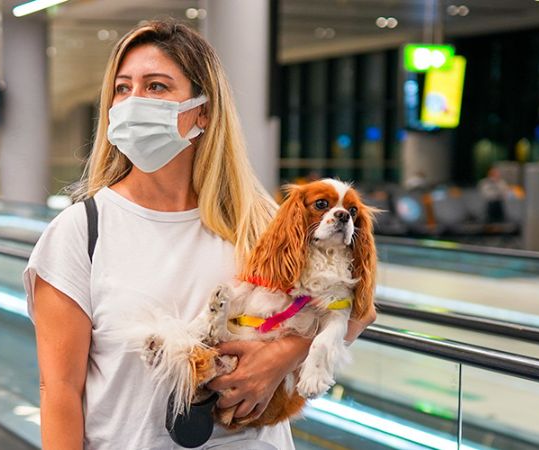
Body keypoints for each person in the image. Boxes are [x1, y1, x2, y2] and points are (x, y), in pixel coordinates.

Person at [23, 20, 376, 449]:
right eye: (122, 88)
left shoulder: (260, 221)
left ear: (203, 111)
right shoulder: (81, 231)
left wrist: (284, 355)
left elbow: (358, 308)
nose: (134, 102)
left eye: (156, 87)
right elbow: (58, 390)